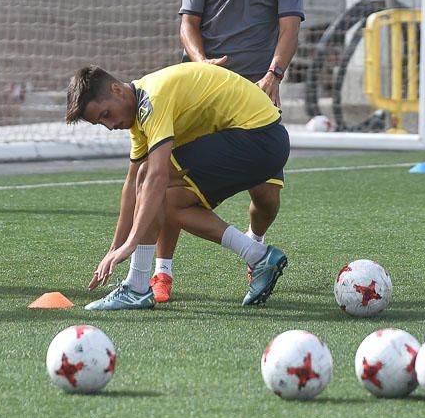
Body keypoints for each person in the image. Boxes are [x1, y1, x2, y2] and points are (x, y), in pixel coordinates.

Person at [151, 0, 305, 303]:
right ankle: (162, 274)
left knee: (267, 195)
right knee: (172, 183)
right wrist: (201, 65)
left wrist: (274, 74)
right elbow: (188, 23)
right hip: (201, 93)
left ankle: (255, 247)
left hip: (254, 95)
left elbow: (289, 30)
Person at [65, 62, 290, 310]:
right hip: (263, 141)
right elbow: (131, 187)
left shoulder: (152, 98)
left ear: (117, 90)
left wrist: (131, 243)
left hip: (259, 138)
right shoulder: (139, 113)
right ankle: (258, 256)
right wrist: (113, 250)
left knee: (152, 180)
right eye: (100, 123)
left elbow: (156, 176)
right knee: (169, 203)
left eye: (106, 114)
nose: (109, 126)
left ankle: (137, 287)